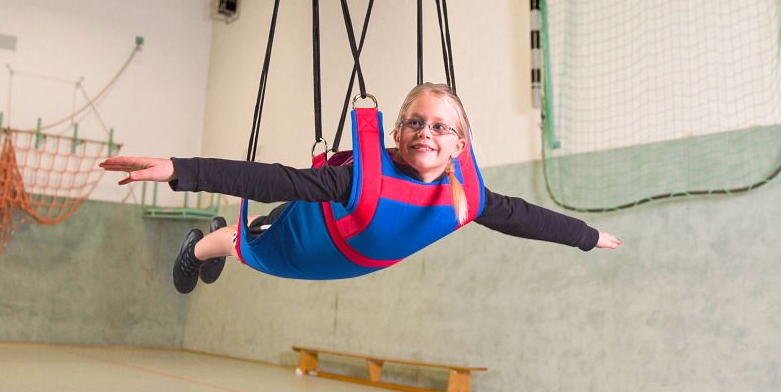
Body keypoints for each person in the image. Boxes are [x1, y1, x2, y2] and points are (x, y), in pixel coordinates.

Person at [100, 82, 621, 293]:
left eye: (441, 127)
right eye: (415, 122)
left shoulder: (470, 199)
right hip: (308, 238)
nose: (426, 133)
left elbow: (525, 217)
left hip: (345, 248)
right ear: (397, 133)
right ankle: (198, 247)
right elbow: (272, 179)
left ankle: (218, 238)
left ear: (460, 145)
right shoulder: (358, 177)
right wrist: (179, 169)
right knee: (246, 242)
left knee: (254, 233)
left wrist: (586, 235)